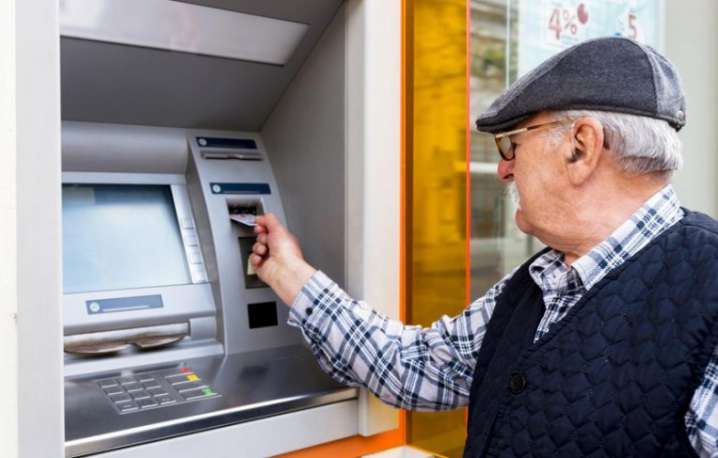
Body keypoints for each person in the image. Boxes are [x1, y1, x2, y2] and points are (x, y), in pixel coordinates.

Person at [249, 37, 718, 457]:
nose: (504, 169)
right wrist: (287, 272)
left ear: (581, 147)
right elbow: (414, 367)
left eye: (513, 145)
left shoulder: (709, 292)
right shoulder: (541, 281)